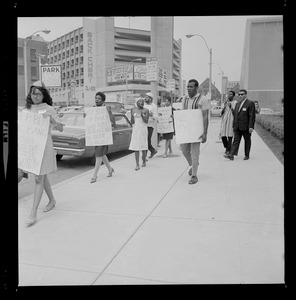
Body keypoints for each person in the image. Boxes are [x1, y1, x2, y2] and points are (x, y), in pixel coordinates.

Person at [21, 81, 64, 226]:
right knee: (42, 177)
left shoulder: (49, 109)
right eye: (33, 93)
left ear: (43, 95)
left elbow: (61, 128)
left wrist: (51, 119)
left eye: (38, 93)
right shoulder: (26, 109)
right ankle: (52, 200)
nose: (35, 96)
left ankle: (33, 213)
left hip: (44, 147)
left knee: (39, 178)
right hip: (32, 148)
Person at [181, 79, 210, 184]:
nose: (189, 88)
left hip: (197, 130)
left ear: (196, 88)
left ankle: (194, 175)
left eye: (191, 87)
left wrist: (205, 132)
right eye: (188, 86)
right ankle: (194, 165)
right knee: (184, 150)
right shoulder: (185, 99)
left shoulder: (203, 99)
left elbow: (205, 116)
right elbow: (183, 114)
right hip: (187, 129)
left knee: (195, 153)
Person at [84, 92, 115, 183]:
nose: (97, 100)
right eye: (96, 98)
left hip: (104, 136)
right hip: (96, 136)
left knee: (98, 155)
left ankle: (94, 175)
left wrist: (109, 111)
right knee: (101, 154)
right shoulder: (92, 109)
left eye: (99, 98)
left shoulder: (106, 109)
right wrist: (86, 117)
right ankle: (110, 169)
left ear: (103, 100)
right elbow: (90, 122)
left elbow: (113, 121)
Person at [224, 89, 256, 161]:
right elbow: (235, 114)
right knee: (235, 141)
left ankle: (247, 155)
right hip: (237, 126)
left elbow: (252, 116)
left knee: (247, 141)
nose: (240, 96)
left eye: (242, 94)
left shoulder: (250, 103)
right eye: (239, 94)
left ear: (245, 95)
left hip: (246, 127)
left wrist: (251, 127)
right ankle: (231, 155)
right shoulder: (238, 104)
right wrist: (233, 124)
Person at [129, 98, 149, 170]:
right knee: (136, 148)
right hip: (136, 130)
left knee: (143, 147)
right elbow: (132, 122)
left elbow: (146, 121)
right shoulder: (133, 110)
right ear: (137, 103)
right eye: (140, 101)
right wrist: (131, 115)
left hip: (143, 130)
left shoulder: (146, 110)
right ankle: (137, 164)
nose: (142, 103)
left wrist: (142, 115)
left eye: (143, 102)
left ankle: (144, 160)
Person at [219, 91, 237, 155]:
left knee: (230, 135)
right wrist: (224, 107)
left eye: (231, 94)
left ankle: (228, 150)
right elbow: (221, 113)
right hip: (224, 120)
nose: (229, 95)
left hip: (231, 120)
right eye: (228, 94)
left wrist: (231, 107)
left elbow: (236, 113)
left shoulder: (236, 103)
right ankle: (227, 147)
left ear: (233, 96)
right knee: (223, 135)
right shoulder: (224, 103)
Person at [144, 92, 158, 158]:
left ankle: (145, 155)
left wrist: (151, 114)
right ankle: (152, 151)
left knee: (147, 140)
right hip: (143, 125)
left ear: (150, 98)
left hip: (150, 125)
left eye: (147, 97)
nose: (145, 98)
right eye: (145, 97)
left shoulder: (154, 106)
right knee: (144, 140)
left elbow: (156, 116)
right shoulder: (143, 105)